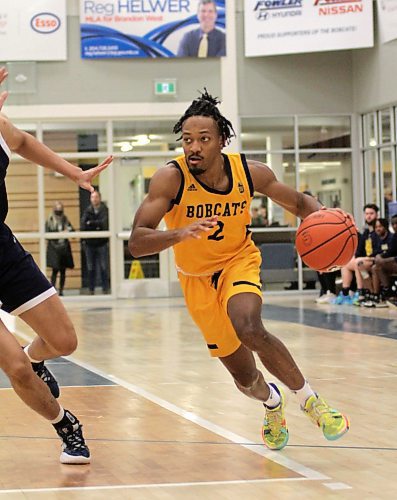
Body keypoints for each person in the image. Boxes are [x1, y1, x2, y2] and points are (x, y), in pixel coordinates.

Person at [129, 90, 349, 451]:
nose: (194, 147)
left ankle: (311, 401)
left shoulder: (250, 172)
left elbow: (297, 202)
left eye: (203, 139)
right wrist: (178, 233)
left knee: (249, 326)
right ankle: (272, 403)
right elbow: (137, 242)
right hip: (196, 280)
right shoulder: (170, 179)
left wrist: (328, 218)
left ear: (222, 141)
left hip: (237, 261)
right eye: (187, 140)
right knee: (245, 380)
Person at [0, 66, 112, 464]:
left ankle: (36, 357)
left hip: (2, 250)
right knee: (13, 367)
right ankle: (66, 425)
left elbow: (23, 141)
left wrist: (75, 172)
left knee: (64, 342)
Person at [334, 203, 379, 305]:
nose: (368, 216)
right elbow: (359, 249)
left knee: (358, 262)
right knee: (346, 263)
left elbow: (380, 250)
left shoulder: (379, 230)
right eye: (366, 213)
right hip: (365, 259)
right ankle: (345, 293)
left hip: (375, 259)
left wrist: (362, 257)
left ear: (377, 215)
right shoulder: (366, 232)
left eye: (371, 213)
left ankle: (361, 292)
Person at [81, 190, 109, 294]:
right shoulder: (87, 210)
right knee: (90, 267)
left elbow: (104, 224)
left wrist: (91, 223)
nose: (94, 199)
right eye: (93, 197)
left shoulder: (105, 210)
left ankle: (105, 288)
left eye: (96, 197)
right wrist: (96, 225)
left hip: (102, 242)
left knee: (103, 267)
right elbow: (83, 225)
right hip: (90, 244)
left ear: (100, 198)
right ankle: (91, 289)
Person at [367, 215, 397, 308]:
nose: (395, 226)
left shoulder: (391, 236)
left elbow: (390, 253)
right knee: (369, 266)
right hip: (387, 261)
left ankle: (387, 291)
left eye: (396, 223)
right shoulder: (370, 235)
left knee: (378, 264)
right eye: (393, 224)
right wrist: (380, 256)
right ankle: (374, 294)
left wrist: (381, 257)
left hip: (393, 261)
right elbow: (390, 251)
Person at [45, 201, 74, 296]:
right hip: (54, 248)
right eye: (57, 209)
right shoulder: (50, 220)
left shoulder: (65, 219)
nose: (59, 211)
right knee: (54, 270)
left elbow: (72, 230)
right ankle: (53, 290)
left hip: (64, 248)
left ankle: (61, 290)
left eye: (60, 209)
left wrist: (67, 231)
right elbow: (47, 234)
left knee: (63, 271)